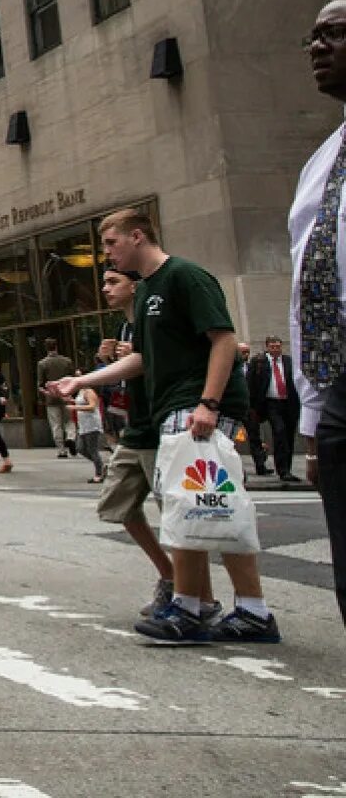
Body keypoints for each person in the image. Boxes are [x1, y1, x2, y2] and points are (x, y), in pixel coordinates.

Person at [51, 208, 277, 643]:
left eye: (111, 244)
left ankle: (192, 607)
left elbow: (224, 338)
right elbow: (141, 359)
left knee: (188, 502)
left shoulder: (184, 277)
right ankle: (248, 610)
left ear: (138, 237)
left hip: (196, 406)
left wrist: (209, 403)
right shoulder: (151, 289)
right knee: (210, 504)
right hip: (178, 407)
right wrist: (82, 379)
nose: (106, 255)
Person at [292, 0, 346, 627]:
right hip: (340, 395)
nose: (316, 47)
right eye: (313, 35)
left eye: (334, 34)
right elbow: (311, 286)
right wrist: (315, 409)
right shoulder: (321, 162)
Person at [89, 264, 181, 616]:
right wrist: (104, 362)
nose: (107, 289)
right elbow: (120, 385)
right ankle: (169, 573)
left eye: (114, 282)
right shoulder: (125, 326)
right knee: (118, 504)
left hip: (160, 426)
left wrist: (133, 357)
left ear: (135, 287)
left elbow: (170, 364)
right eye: (105, 283)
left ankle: (189, 592)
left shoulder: (151, 321)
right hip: (135, 429)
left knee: (176, 513)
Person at [247, 336, 302, 482]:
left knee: (289, 435)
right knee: (280, 431)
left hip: (288, 403)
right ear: (267, 347)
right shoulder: (259, 362)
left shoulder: (289, 361)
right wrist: (252, 407)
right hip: (270, 403)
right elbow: (251, 383)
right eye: (272, 347)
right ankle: (282, 470)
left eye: (278, 346)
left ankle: (287, 468)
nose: (275, 349)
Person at [36, 339, 76, 457]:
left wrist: (42, 396)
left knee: (56, 424)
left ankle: (61, 450)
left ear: (46, 348)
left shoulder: (42, 363)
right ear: (56, 347)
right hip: (67, 395)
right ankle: (71, 437)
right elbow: (73, 378)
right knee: (69, 421)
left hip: (52, 398)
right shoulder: (67, 361)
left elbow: (41, 383)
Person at [72, 381, 106, 482]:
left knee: (92, 449)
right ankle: (102, 466)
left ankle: (99, 474)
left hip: (92, 425)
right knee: (80, 448)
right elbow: (79, 402)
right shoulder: (81, 391)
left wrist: (75, 407)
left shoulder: (90, 392)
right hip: (83, 425)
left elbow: (92, 406)